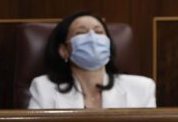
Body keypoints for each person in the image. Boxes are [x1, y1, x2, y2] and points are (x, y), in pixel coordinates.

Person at [28, 11, 156, 109]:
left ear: (108, 44)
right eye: (81, 32)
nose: (92, 37)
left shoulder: (142, 88)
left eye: (99, 32)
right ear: (64, 50)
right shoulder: (43, 88)